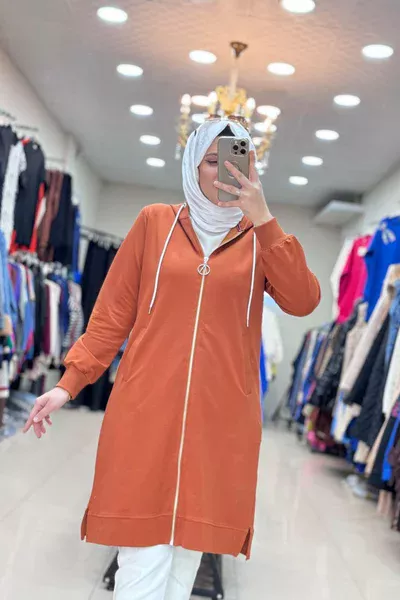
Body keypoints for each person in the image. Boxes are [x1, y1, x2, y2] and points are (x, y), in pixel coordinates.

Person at [23, 119, 320, 599]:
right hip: (146, 411)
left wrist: (264, 218)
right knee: (140, 564)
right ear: (193, 166)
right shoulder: (155, 223)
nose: (226, 173)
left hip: (221, 421)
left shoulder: (261, 239)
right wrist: (68, 382)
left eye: (238, 161)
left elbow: (303, 300)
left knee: (184, 567)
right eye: (212, 161)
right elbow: (112, 312)